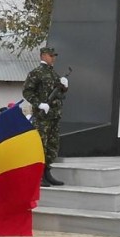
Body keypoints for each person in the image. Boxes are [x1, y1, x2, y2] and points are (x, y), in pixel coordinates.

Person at [23, 46, 69, 187]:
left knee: (52, 145)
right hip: (43, 118)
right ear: (43, 56)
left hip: (54, 115)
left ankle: (47, 172)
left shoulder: (54, 74)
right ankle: (39, 175)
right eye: (50, 55)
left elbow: (60, 95)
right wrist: (39, 104)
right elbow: (27, 92)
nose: (53, 58)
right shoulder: (36, 73)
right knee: (40, 145)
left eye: (54, 55)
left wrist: (64, 87)